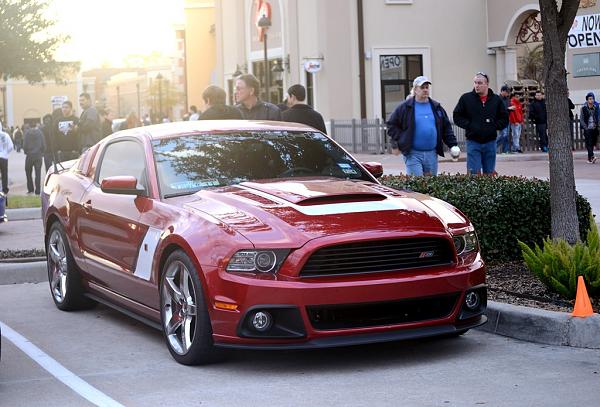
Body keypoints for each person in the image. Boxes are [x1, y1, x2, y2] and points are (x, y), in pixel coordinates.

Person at [387, 76, 458, 176]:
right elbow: (391, 124)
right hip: (413, 154)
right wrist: (401, 139)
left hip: (432, 154)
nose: (425, 90)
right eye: (422, 87)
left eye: (427, 87)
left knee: (430, 187)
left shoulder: (436, 107)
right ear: (415, 89)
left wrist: (452, 145)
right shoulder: (405, 107)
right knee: (416, 185)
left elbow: (446, 127)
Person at [453, 72, 508, 175]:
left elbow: (504, 118)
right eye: (475, 83)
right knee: (474, 173)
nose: (476, 85)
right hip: (473, 142)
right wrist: (469, 125)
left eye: (479, 83)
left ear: (486, 84)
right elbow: (457, 116)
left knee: (489, 173)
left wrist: (494, 126)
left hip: (490, 143)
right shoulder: (466, 98)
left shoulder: (496, 100)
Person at [23, 124, 46, 195]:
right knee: (38, 173)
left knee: (28, 173)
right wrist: (42, 153)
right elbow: (43, 144)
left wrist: (26, 152)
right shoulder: (40, 133)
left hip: (29, 155)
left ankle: (30, 189)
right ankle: (38, 190)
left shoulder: (27, 133)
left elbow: (24, 145)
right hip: (38, 155)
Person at [580, 92, 599, 164]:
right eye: (590, 99)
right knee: (589, 143)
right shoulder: (583, 108)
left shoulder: (595, 107)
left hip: (594, 128)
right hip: (587, 128)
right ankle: (592, 156)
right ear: (587, 100)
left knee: (593, 143)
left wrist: (597, 126)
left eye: (593, 99)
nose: (592, 100)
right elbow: (581, 119)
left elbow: (597, 117)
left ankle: (589, 159)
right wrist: (585, 128)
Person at [496, 85, 512, 154]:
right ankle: (493, 147)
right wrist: (508, 109)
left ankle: (505, 150)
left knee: (506, 135)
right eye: (506, 92)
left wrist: (511, 109)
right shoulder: (498, 99)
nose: (507, 93)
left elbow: (507, 108)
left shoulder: (507, 100)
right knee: (503, 134)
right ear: (502, 91)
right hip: (500, 119)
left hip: (507, 118)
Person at [0, 120, 14, 196]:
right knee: (4, 173)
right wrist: (6, 152)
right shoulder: (5, 135)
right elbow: (11, 146)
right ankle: (4, 189)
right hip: (4, 157)